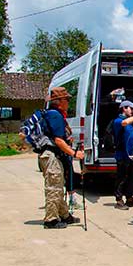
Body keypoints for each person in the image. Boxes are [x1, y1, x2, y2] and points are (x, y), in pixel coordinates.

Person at [40, 87, 84, 229]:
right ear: (59, 102)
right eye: (67, 99)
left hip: (53, 155)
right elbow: (59, 140)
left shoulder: (55, 114)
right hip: (52, 155)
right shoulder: (55, 115)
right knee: (54, 188)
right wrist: (74, 153)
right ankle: (51, 219)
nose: (68, 102)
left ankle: (64, 215)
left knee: (59, 186)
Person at [112, 100, 133, 210]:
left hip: (132, 154)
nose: (132, 111)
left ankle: (129, 198)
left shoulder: (132, 122)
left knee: (132, 177)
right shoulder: (118, 121)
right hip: (122, 154)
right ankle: (119, 199)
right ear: (124, 108)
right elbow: (124, 123)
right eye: (130, 108)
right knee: (121, 177)